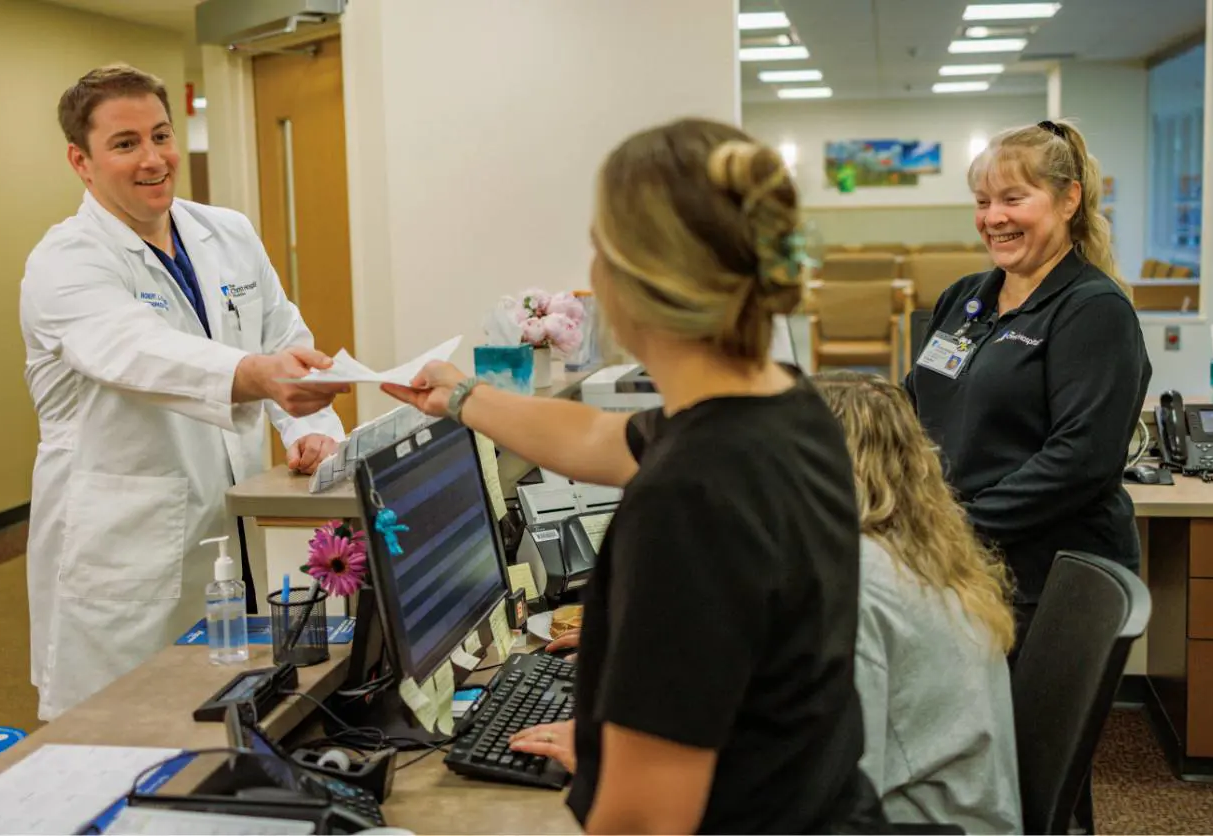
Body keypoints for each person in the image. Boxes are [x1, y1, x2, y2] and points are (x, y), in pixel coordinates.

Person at [383, 118, 884, 834]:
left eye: (599, 249)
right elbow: (601, 435)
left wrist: (624, 772)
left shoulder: (688, 501)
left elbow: (645, 823)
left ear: (639, 279)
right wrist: (463, 398)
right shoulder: (784, 406)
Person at [20, 64, 348, 721]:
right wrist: (258, 376)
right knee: (118, 736)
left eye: (161, 135)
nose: (153, 159)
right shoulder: (65, 263)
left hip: (231, 529)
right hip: (123, 552)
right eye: (125, 144)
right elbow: (140, 352)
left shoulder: (225, 231)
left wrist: (309, 433)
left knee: (236, 718)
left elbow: (283, 335)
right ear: (80, 162)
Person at [906, 118, 1151, 651]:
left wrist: (952, 528)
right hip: (968, 556)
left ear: (1068, 200)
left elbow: (1079, 460)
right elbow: (913, 402)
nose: (994, 218)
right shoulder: (965, 298)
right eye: (982, 201)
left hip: (1047, 573)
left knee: (1020, 728)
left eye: (1013, 199)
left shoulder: (1093, 310)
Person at [815, 370, 1021, 833]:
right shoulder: (926, 548)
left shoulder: (859, 580)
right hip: (962, 810)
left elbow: (836, 783)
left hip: (916, 823)